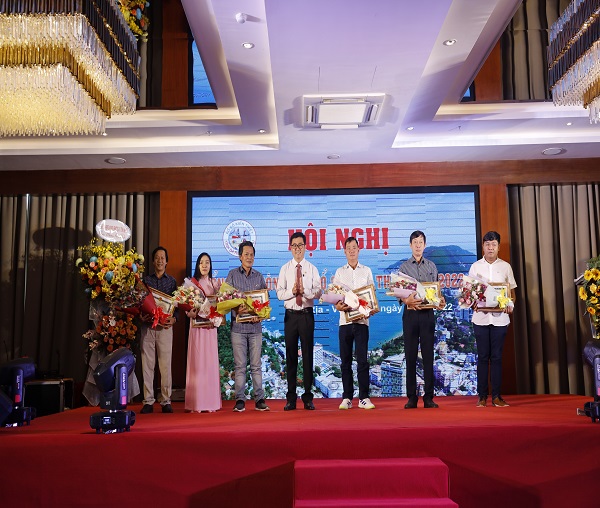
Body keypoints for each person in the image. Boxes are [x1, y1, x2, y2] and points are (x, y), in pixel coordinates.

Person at [469, 231, 517, 408]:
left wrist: (510, 305)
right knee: (482, 357)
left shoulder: (506, 267)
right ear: (483, 246)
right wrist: (472, 303)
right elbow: (469, 293)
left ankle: (496, 396)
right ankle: (482, 397)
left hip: (500, 320)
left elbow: (512, 293)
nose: (490, 248)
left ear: (498, 247)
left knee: (497, 358)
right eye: (487, 244)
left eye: (494, 244)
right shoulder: (475, 267)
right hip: (480, 319)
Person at [399, 231, 445, 409]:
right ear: (410, 245)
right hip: (410, 315)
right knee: (410, 356)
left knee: (428, 356)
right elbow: (399, 293)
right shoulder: (404, 267)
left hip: (427, 315)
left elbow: (437, 292)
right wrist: (405, 300)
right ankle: (411, 397)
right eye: (415, 242)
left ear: (425, 245)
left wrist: (440, 301)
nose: (418, 245)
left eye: (420, 242)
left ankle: (428, 397)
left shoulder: (432, 266)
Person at [276, 232, 322, 411]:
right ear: (290, 247)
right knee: (291, 357)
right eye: (294, 245)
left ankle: (308, 397)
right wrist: (293, 292)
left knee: (308, 356)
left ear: (305, 247)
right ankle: (291, 398)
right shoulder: (285, 269)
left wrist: (305, 292)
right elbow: (280, 293)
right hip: (290, 316)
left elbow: (318, 292)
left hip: (306, 315)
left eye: (300, 245)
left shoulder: (312, 268)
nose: (297, 248)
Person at [225, 241, 269, 412]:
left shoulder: (259, 277)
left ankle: (259, 399)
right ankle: (240, 400)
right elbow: (225, 300)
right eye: (246, 254)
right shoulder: (232, 275)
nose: (249, 257)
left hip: (255, 328)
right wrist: (236, 309)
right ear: (240, 256)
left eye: (251, 254)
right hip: (238, 329)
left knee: (256, 366)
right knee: (240, 366)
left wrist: (260, 314)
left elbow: (265, 302)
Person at [334, 237, 376, 410]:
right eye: (348, 248)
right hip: (344, 322)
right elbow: (336, 298)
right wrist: (337, 305)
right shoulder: (339, 272)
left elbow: (371, 296)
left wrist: (371, 308)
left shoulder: (366, 271)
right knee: (345, 361)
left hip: (362, 322)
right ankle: (347, 397)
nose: (351, 250)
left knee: (362, 361)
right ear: (344, 251)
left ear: (359, 250)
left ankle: (364, 397)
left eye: (354, 247)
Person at [140, 246, 178, 414]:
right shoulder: (145, 281)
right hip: (148, 327)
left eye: (163, 258)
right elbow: (139, 302)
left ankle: (166, 400)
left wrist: (174, 318)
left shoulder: (172, 282)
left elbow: (177, 305)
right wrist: (140, 316)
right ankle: (148, 401)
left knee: (165, 365)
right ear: (153, 261)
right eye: (157, 257)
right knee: (147, 365)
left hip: (165, 328)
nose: (160, 260)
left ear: (166, 261)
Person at [184, 252, 222, 413]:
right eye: (201, 262)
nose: (205, 265)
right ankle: (197, 403)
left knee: (209, 363)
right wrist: (189, 312)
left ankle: (211, 402)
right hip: (197, 329)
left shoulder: (215, 284)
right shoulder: (192, 284)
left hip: (210, 329)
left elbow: (220, 305)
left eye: (207, 262)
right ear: (197, 265)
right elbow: (186, 306)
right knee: (198, 363)